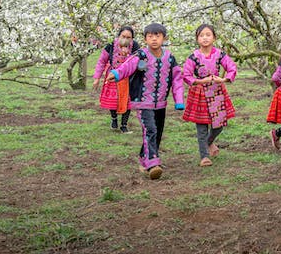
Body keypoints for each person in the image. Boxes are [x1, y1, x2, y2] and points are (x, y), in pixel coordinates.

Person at [106, 23, 183, 180]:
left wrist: (179, 100)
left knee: (157, 132)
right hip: (142, 101)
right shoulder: (140, 55)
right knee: (150, 130)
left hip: (160, 102)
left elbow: (177, 79)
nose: (154, 39)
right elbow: (127, 66)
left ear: (164, 38)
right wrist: (116, 73)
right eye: (150, 36)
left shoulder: (170, 58)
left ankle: (143, 157)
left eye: (157, 36)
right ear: (145, 39)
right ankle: (153, 164)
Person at [182, 24, 238, 167]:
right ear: (197, 39)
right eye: (201, 35)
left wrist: (224, 79)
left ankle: (209, 142)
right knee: (201, 127)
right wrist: (199, 81)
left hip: (217, 92)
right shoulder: (193, 57)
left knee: (218, 125)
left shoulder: (220, 54)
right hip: (199, 93)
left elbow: (231, 67)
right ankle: (204, 156)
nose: (205, 38)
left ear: (214, 38)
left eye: (208, 35)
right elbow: (186, 75)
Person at [92, 26, 139, 133]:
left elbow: (137, 60)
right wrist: (97, 78)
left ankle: (124, 125)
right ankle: (114, 119)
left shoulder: (135, 46)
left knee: (127, 101)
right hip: (112, 77)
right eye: (123, 36)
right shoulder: (110, 46)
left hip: (128, 77)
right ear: (119, 36)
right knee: (113, 100)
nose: (126, 39)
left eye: (129, 37)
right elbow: (101, 62)